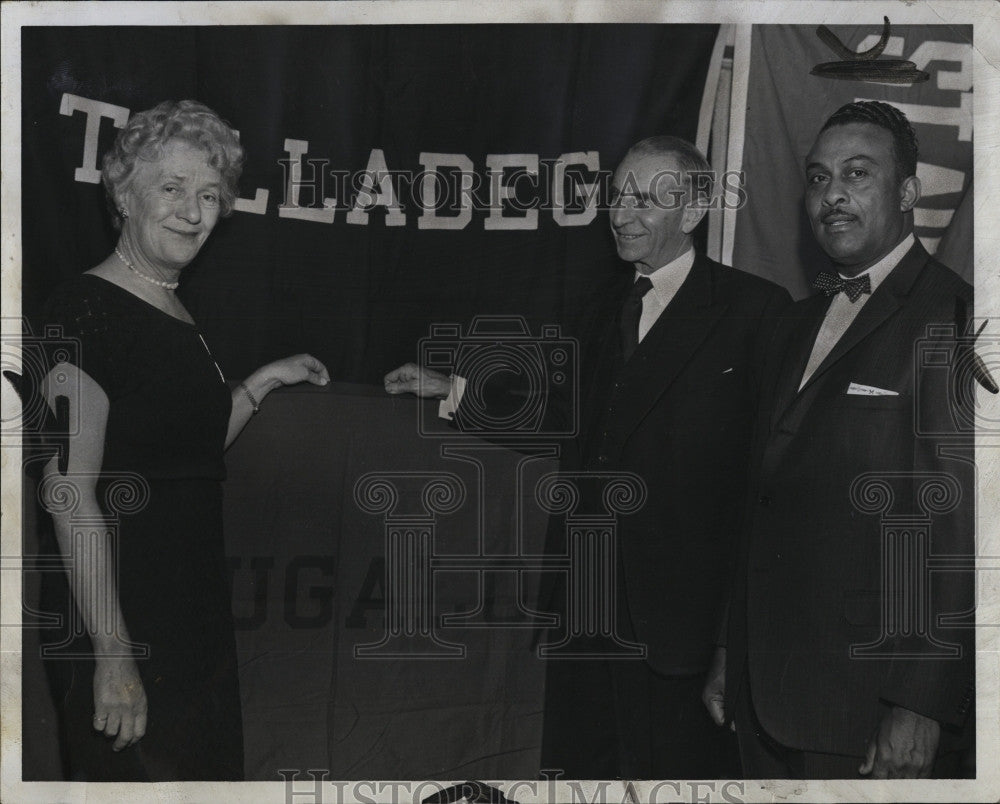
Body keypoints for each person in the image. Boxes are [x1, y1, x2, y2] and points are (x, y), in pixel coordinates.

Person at [384, 136, 790, 778]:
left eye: (647, 199)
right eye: (618, 194)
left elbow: (766, 493)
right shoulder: (602, 306)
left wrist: (729, 642)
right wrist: (453, 388)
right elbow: (559, 416)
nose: (623, 213)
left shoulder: (756, 312)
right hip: (586, 608)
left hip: (679, 634)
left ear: (691, 213)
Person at [36, 99, 330, 781]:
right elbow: (67, 492)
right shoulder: (84, 309)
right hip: (120, 618)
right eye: (171, 189)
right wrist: (112, 654)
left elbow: (184, 456)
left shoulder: (174, 309)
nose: (192, 213)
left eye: (208, 195)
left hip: (190, 620)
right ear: (123, 193)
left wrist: (258, 385)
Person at [705, 101, 975, 779]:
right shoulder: (791, 325)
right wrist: (730, 650)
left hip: (868, 714)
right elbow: (761, 501)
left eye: (857, 174)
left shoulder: (958, 317)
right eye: (819, 178)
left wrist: (921, 705)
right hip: (761, 699)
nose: (833, 196)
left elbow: (963, 533)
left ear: (909, 192)